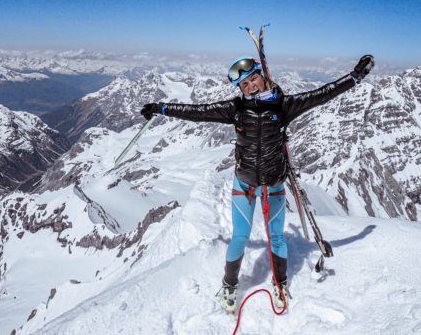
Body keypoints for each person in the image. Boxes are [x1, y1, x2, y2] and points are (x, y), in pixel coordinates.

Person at [140, 54, 374, 312]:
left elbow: (321, 94)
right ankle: (229, 285)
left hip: (273, 185)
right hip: (245, 185)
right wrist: (160, 108)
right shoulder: (236, 109)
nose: (251, 86)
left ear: (262, 75)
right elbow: (198, 112)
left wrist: (355, 77)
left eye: (253, 79)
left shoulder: (285, 106)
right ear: (239, 89)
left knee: (276, 237)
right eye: (244, 85)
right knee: (240, 237)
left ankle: (280, 283)